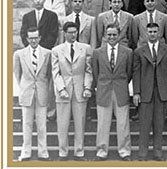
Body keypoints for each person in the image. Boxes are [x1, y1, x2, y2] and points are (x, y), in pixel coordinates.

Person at [133, 23, 167, 161]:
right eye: (150, 31)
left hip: (162, 91)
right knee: (144, 124)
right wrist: (136, 92)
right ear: (146, 33)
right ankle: (142, 153)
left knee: (159, 124)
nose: (152, 34)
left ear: (159, 33)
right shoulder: (139, 51)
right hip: (146, 91)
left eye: (155, 31)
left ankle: (158, 152)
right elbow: (136, 73)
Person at [52, 22, 93, 161]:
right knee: (62, 123)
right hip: (63, 90)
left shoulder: (85, 48)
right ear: (64, 33)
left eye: (75, 32)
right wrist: (61, 88)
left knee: (80, 123)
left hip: (80, 90)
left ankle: (79, 152)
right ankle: (63, 152)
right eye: (70, 32)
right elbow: (55, 72)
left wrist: (87, 87)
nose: (73, 34)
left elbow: (88, 70)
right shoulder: (57, 50)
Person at [92, 23, 133, 161]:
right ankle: (101, 151)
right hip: (104, 90)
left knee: (123, 124)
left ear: (119, 35)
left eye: (114, 34)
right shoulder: (98, 52)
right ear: (105, 35)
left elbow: (129, 72)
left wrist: (121, 83)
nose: (112, 37)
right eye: (109, 34)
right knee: (103, 123)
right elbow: (95, 72)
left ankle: (124, 151)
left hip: (121, 89)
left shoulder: (127, 52)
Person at [20, 0, 58, 121]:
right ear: (33, 0)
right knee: (30, 82)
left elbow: (53, 34)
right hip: (31, 54)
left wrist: (42, 50)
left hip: (46, 53)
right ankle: (31, 112)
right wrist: (31, 49)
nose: (38, 1)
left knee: (47, 82)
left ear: (44, 0)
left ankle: (49, 111)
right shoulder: (27, 16)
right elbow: (23, 34)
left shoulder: (52, 16)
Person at [13, 28, 51, 161]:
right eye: (31, 38)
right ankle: (26, 151)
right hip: (27, 92)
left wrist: (45, 89)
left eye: (36, 38)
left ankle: (43, 151)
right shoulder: (19, 54)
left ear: (40, 38)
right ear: (27, 39)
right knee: (27, 124)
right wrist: (24, 87)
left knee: (41, 125)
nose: (33, 40)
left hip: (42, 92)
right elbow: (17, 74)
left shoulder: (47, 53)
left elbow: (49, 75)